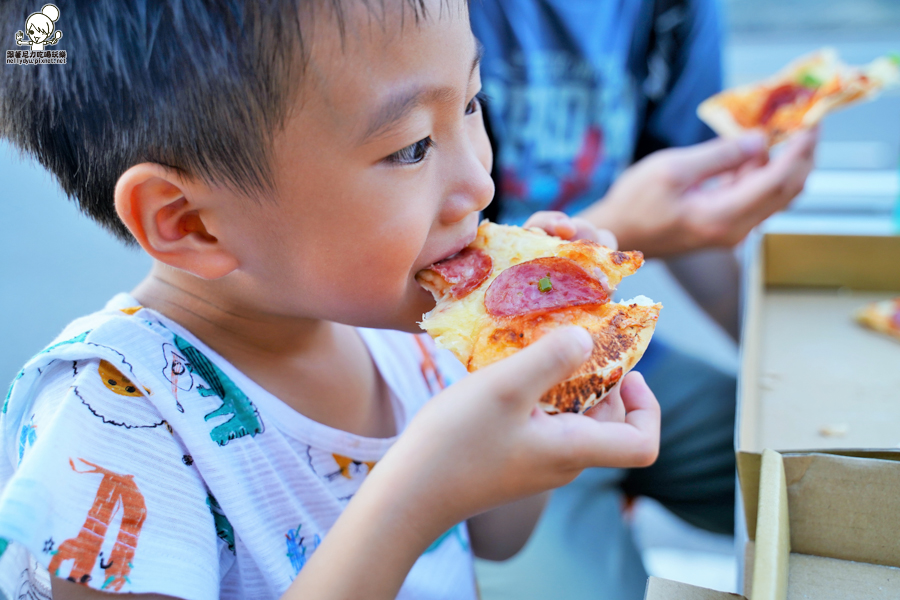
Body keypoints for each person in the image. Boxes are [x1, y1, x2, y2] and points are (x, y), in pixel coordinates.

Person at [0, 1, 662, 599]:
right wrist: (412, 500)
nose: (479, 185)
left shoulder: (409, 331)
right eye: (412, 148)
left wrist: (554, 407)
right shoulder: (113, 422)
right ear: (193, 223)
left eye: (470, 102)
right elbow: (429, 507)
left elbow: (495, 536)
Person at [469, 1, 817, 598]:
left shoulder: (675, 12)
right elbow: (417, 292)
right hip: (477, 382)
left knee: (827, 480)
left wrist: (798, 372)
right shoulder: (433, 18)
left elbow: (681, 229)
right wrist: (612, 231)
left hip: (624, 366)